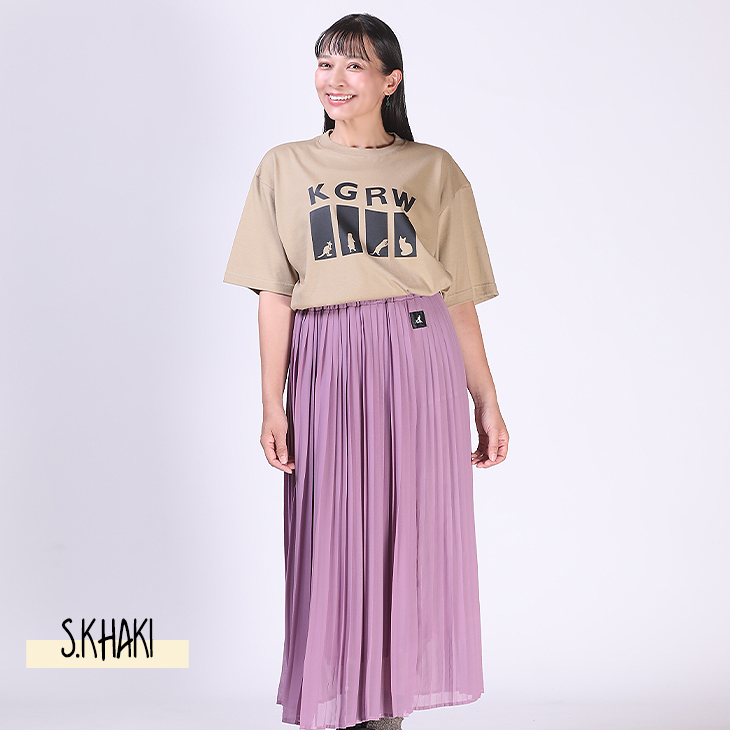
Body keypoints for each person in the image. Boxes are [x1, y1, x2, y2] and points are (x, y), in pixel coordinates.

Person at [223, 13, 509, 730]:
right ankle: (336, 706)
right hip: (326, 356)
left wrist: (486, 398)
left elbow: (458, 298)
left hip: (417, 355)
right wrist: (271, 401)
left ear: (390, 81)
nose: (335, 79)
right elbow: (274, 293)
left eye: (354, 65)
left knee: (408, 529)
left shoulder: (433, 169)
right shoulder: (284, 166)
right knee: (331, 532)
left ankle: (388, 714)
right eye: (325, 63)